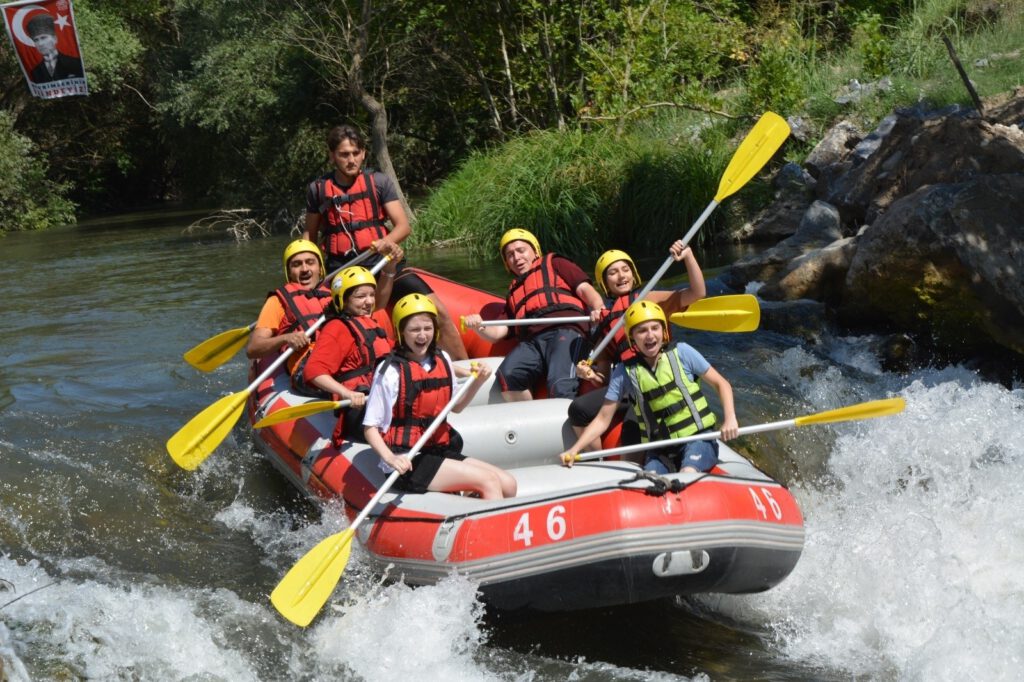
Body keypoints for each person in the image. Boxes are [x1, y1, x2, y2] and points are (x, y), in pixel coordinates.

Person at [301, 124, 468, 360]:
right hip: (343, 269)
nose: (351, 160)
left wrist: (386, 242)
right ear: (332, 156)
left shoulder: (378, 182)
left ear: (363, 153)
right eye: (344, 154)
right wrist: (308, 270)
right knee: (334, 325)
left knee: (437, 309)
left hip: (384, 262)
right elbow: (310, 235)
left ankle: (467, 367)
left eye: (356, 153)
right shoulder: (318, 190)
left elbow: (403, 226)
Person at [363, 294, 517, 499]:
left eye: (427, 328)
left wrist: (477, 381)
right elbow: (370, 428)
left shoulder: (442, 359)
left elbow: (457, 407)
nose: (422, 335)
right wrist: (391, 458)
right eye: (414, 329)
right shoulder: (390, 371)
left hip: (438, 450)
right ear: (401, 332)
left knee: (508, 484)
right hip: (407, 458)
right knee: (488, 481)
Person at [560, 300, 738, 474]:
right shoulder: (624, 372)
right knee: (649, 480)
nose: (650, 335)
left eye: (655, 328)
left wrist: (730, 418)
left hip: (698, 438)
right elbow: (602, 419)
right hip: (660, 448)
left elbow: (721, 384)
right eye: (642, 331)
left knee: (688, 471)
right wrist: (575, 449)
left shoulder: (683, 352)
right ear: (632, 338)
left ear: (664, 331)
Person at [569, 241, 706, 451]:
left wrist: (688, 256)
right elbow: (604, 379)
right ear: (604, 282)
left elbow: (697, 293)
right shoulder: (606, 323)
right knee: (578, 410)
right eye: (613, 272)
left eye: (626, 269)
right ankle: (598, 459)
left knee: (634, 432)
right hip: (628, 385)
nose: (622, 276)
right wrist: (589, 375)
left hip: (660, 376)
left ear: (633, 275)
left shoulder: (650, 299)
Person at [462, 228, 605, 401]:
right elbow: (497, 333)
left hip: (566, 330)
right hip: (533, 342)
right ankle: (529, 420)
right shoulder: (513, 293)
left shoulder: (555, 263)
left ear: (535, 251)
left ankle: (563, 419)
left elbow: (584, 289)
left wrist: (599, 307)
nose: (517, 258)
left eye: (521, 250)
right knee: (509, 376)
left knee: (560, 383)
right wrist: (479, 326)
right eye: (510, 255)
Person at [298, 259, 400, 446]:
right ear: (343, 301)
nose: (369, 301)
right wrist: (346, 393)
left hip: (380, 401)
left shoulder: (370, 324)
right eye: (361, 296)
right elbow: (313, 371)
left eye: (371, 294)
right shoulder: (337, 328)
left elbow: (400, 357)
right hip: (360, 410)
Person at [246, 239, 332, 377]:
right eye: (297, 264)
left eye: (310, 262)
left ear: (320, 268)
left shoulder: (335, 293)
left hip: (338, 357)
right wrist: (286, 338)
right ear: (289, 272)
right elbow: (253, 348)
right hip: (308, 366)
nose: (304, 269)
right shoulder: (277, 301)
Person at [25, 13, 84, 84]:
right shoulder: (35, 72)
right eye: (36, 40)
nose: (40, 44)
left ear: (55, 39)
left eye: (43, 38)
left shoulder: (75, 63)